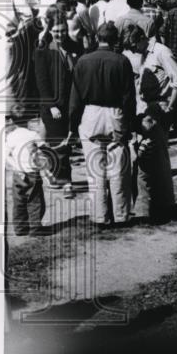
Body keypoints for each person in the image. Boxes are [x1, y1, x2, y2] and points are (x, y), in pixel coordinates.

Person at [68, 21, 137, 227]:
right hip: (115, 113)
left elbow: (75, 98)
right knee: (118, 168)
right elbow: (129, 97)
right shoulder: (122, 61)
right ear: (115, 40)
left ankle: (100, 215)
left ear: (97, 38)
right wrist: (130, 123)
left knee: (95, 168)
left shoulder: (83, 61)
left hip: (91, 113)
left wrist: (73, 125)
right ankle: (121, 213)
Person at [33, 11, 78, 190]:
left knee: (63, 142)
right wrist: (51, 105)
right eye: (57, 31)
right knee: (60, 144)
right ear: (50, 30)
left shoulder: (73, 47)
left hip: (70, 102)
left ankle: (51, 171)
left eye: (63, 30)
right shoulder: (43, 50)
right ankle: (66, 181)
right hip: (52, 104)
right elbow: (41, 81)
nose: (60, 34)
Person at [5, 104, 48, 236]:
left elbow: (5, 155)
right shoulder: (33, 134)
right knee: (35, 200)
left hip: (18, 173)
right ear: (29, 120)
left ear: (12, 120)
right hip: (32, 172)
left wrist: (16, 167)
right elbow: (44, 149)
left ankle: (20, 228)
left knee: (19, 201)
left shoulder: (11, 136)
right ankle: (35, 228)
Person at [132, 102, 175, 223]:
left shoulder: (147, 137)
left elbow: (139, 155)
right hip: (160, 160)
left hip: (145, 164)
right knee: (161, 181)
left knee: (144, 185)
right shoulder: (160, 130)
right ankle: (164, 205)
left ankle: (144, 212)